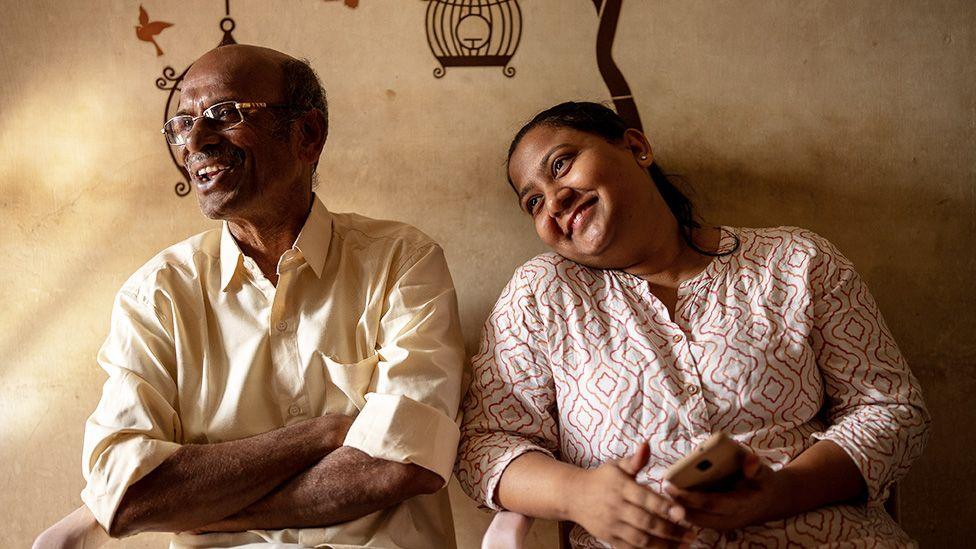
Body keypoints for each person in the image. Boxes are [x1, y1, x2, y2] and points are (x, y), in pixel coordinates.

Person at [455, 101, 930, 548]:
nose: (554, 200)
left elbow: (891, 409)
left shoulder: (796, 262)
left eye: (561, 164)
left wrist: (784, 490)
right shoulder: (541, 294)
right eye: (533, 202)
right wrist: (576, 493)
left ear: (636, 147)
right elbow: (485, 445)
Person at [67, 44, 466, 548]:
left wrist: (205, 510)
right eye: (183, 123)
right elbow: (123, 494)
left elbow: (403, 464)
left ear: (308, 135)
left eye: (225, 115)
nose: (196, 141)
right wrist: (324, 434)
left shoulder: (402, 261)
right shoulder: (157, 296)